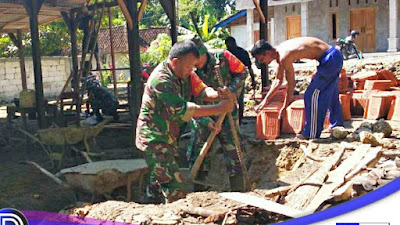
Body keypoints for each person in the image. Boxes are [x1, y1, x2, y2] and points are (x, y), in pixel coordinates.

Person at [135, 40, 235, 203]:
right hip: (154, 138)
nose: (191, 71)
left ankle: (151, 200)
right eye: (189, 67)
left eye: (193, 68)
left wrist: (218, 94)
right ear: (175, 62)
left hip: (168, 136)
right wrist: (219, 108)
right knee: (175, 188)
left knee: (160, 177)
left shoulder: (184, 71)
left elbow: (202, 90)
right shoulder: (161, 81)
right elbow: (185, 110)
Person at [251, 37, 344, 139]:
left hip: (330, 59)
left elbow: (291, 84)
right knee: (331, 92)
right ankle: (337, 126)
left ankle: (311, 133)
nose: (263, 62)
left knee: (311, 95)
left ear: (267, 53)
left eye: (262, 59)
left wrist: (284, 107)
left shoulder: (284, 56)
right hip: (333, 56)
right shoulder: (280, 51)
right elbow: (278, 80)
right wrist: (265, 100)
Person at [188, 37, 247, 191]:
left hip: (226, 111)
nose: (196, 64)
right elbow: (186, 101)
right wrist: (204, 120)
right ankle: (198, 191)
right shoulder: (187, 69)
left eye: (198, 59)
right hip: (201, 113)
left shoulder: (223, 57)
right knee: (198, 151)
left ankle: (239, 189)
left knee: (233, 149)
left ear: (204, 53)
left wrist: (232, 90)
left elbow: (242, 72)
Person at [225, 36, 256, 124]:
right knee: (234, 100)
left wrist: (253, 79)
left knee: (239, 99)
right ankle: (235, 120)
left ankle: (239, 120)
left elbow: (249, 67)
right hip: (230, 78)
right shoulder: (227, 53)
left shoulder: (241, 53)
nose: (230, 47)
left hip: (239, 78)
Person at [79, 6, 100, 71]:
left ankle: (97, 64)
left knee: (86, 51)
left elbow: (86, 26)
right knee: (94, 51)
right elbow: (81, 27)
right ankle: (97, 64)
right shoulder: (90, 18)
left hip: (89, 36)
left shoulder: (89, 18)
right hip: (92, 36)